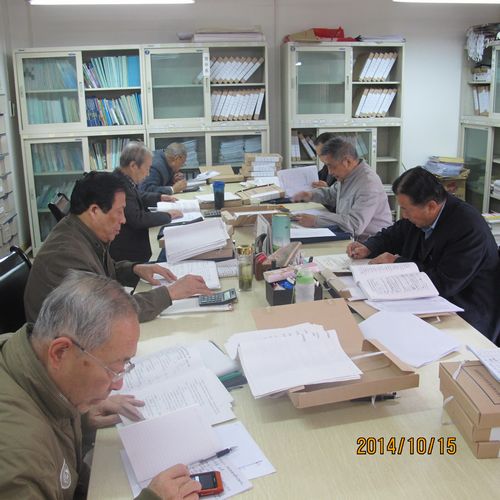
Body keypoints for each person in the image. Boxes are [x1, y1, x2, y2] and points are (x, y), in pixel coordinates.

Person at [0, 271, 202, 500]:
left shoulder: (29, 353)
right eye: (112, 369)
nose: (118, 384)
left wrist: (79, 419)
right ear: (60, 352)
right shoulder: (19, 462)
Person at [24, 171, 211, 324]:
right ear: (95, 211)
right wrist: (170, 293)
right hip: (65, 344)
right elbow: (109, 313)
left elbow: (98, 270)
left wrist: (134, 269)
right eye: (119, 211)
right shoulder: (66, 255)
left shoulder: (81, 230)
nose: (123, 220)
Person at [348, 166, 500, 345]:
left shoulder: (468, 227)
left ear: (431, 206)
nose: (404, 215)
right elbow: (395, 233)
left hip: (466, 311)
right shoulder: (420, 216)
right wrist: (369, 247)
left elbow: (444, 283)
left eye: (406, 209)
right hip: (428, 302)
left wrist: (398, 263)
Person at [292, 137, 392, 241]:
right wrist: (310, 195)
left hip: (371, 243)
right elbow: (331, 194)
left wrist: (316, 221)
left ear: (347, 161)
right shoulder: (348, 176)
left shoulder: (368, 184)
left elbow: (354, 225)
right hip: (351, 239)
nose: (330, 172)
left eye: (331, 166)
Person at [110, 141, 183, 262]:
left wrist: (159, 197)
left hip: (134, 245)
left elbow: (138, 196)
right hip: (128, 254)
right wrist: (167, 215)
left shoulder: (121, 178)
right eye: (147, 168)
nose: (148, 173)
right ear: (133, 166)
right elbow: (137, 219)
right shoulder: (120, 187)